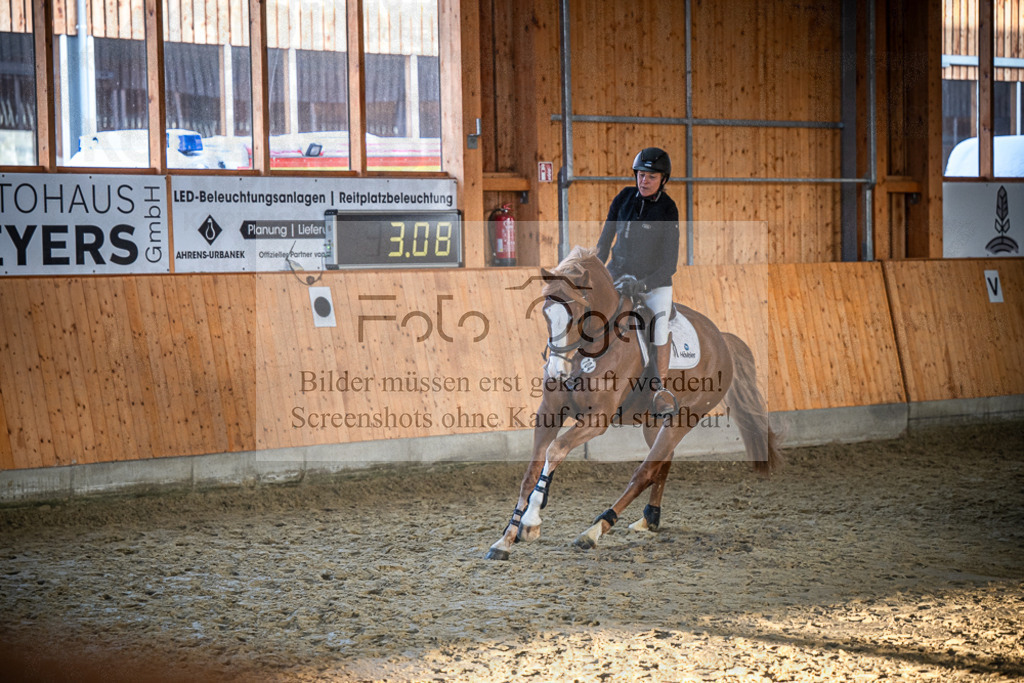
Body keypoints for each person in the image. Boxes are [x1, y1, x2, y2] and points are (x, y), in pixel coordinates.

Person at [595, 147, 680, 417]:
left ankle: (660, 389)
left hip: (654, 282)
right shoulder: (623, 199)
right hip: (617, 273)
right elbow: (605, 240)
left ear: (662, 180)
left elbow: (670, 263)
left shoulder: (668, 209)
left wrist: (644, 285)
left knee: (659, 322)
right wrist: (598, 271)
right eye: (641, 175)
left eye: (651, 177)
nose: (644, 181)